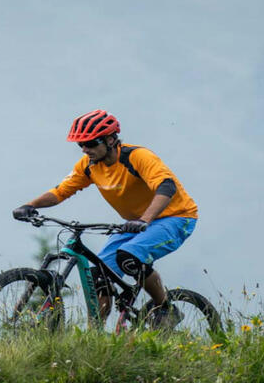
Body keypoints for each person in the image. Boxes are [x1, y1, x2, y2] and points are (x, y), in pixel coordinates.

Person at [12, 109, 198, 324]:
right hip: (136, 224)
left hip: (176, 218)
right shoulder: (89, 165)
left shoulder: (137, 156)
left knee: (129, 257)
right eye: (80, 145)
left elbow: (166, 186)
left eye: (90, 143)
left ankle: (166, 309)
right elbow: (61, 191)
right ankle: (95, 333)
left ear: (110, 139)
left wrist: (144, 220)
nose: (84, 149)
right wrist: (30, 205)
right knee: (99, 273)